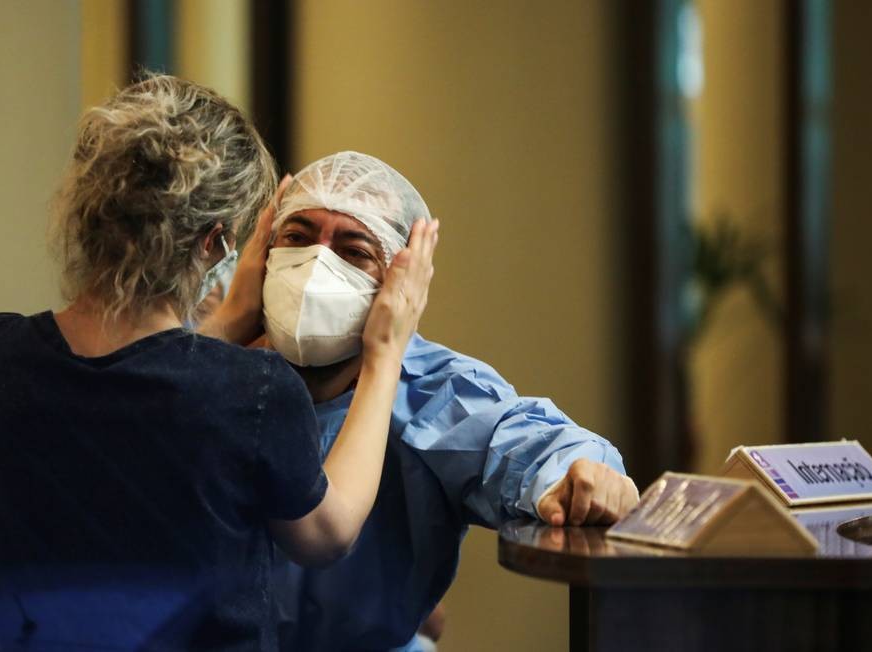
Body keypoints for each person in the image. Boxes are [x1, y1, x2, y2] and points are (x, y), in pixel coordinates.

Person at [0, 77, 437, 651]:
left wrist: (229, 322)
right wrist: (384, 355)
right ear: (214, 244)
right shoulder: (253, 391)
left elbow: (131, 400)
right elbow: (326, 536)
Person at [261, 152, 639, 651]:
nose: (316, 265)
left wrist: (580, 476)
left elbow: (527, 444)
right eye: (298, 237)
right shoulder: (215, 374)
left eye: (353, 251)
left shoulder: (431, 391)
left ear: (402, 279)